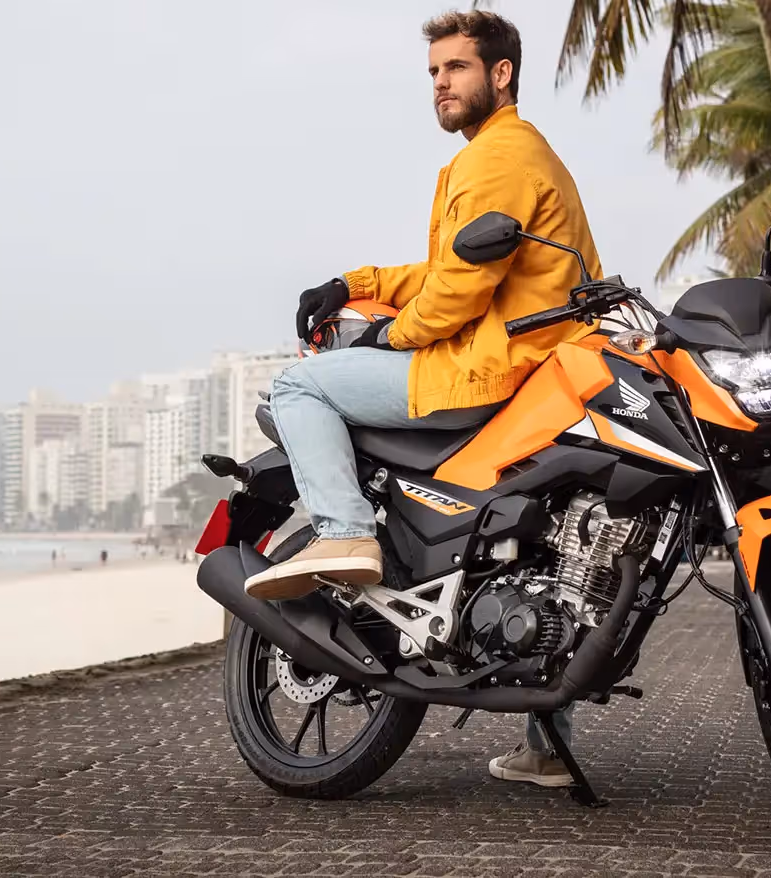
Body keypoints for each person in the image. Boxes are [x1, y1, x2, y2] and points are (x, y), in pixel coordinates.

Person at [243, 10, 600, 789]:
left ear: (499, 74)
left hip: (483, 368)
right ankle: (547, 743)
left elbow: (457, 294)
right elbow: (449, 265)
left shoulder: (498, 157)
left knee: (299, 382)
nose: (439, 82)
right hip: (533, 371)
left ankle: (342, 532)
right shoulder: (511, 154)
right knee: (544, 557)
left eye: (456, 69)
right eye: (434, 71)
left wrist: (384, 336)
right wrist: (357, 286)